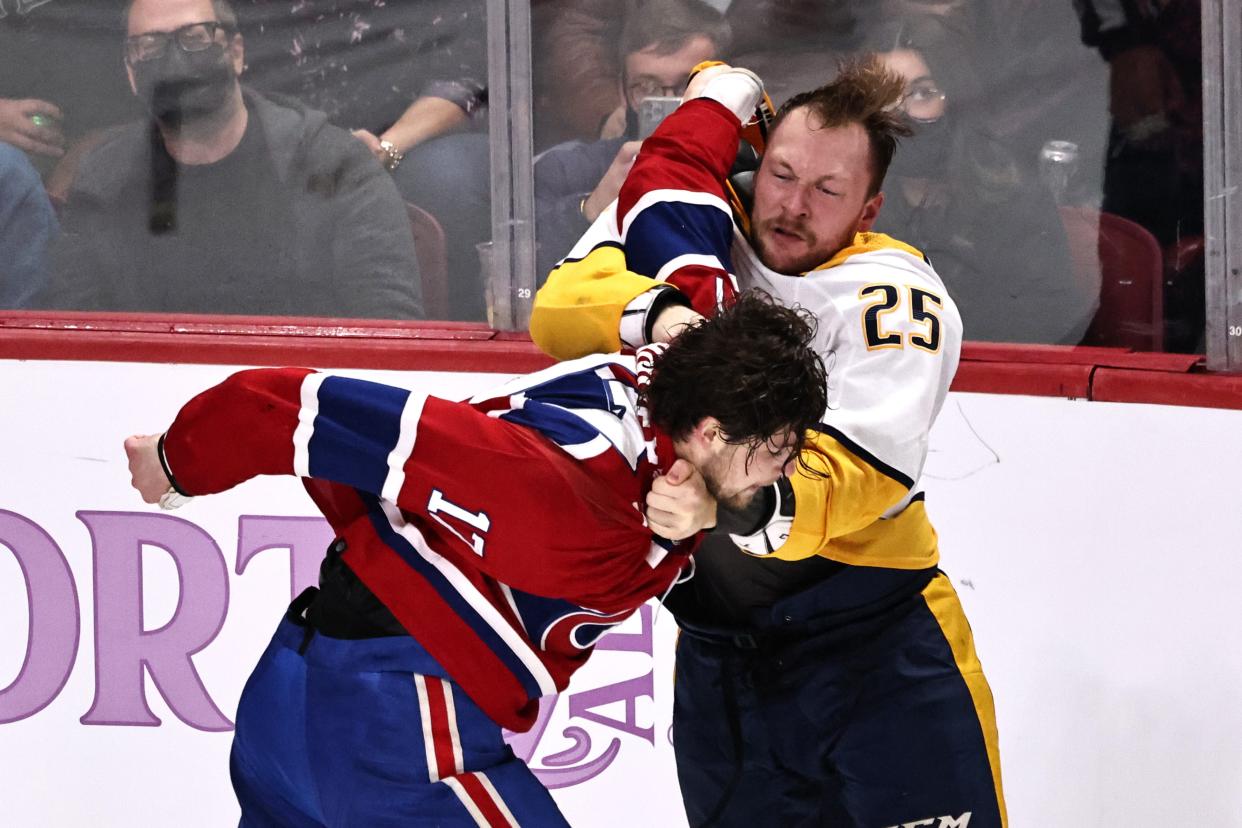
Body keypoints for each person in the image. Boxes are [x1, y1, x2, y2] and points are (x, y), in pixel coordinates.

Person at [122, 288, 827, 825]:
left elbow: (676, 218)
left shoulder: (664, 372)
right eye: (774, 451)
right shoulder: (568, 498)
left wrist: (728, 96)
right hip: (392, 722)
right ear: (707, 433)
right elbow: (287, 407)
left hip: (300, 686)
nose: (782, 469)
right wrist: (176, 461)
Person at [531, 59, 1006, 826]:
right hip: (722, 662)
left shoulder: (894, 297)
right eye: (781, 175)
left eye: (827, 191)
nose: (790, 206)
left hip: (877, 653)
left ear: (869, 205)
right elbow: (559, 305)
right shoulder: (697, 231)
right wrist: (667, 316)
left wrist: (731, 501)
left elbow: (861, 475)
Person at [37, 0, 423, 319]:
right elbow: (77, 338)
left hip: (304, 399)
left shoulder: (334, 165)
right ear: (131, 72)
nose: (174, 60)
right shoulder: (102, 185)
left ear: (236, 52)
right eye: (150, 46)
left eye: (194, 38)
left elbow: (391, 329)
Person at [868, 17, 1097, 345]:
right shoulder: (851, 202)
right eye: (883, 96)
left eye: (922, 93)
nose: (898, 114)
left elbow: (1043, 335)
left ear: (958, 98)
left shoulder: (1017, 204)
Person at [533, 0, 730, 281]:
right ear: (622, 92)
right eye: (646, 87)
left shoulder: (757, 176)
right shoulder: (565, 172)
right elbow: (514, 286)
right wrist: (592, 209)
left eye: (688, 85)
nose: (667, 103)